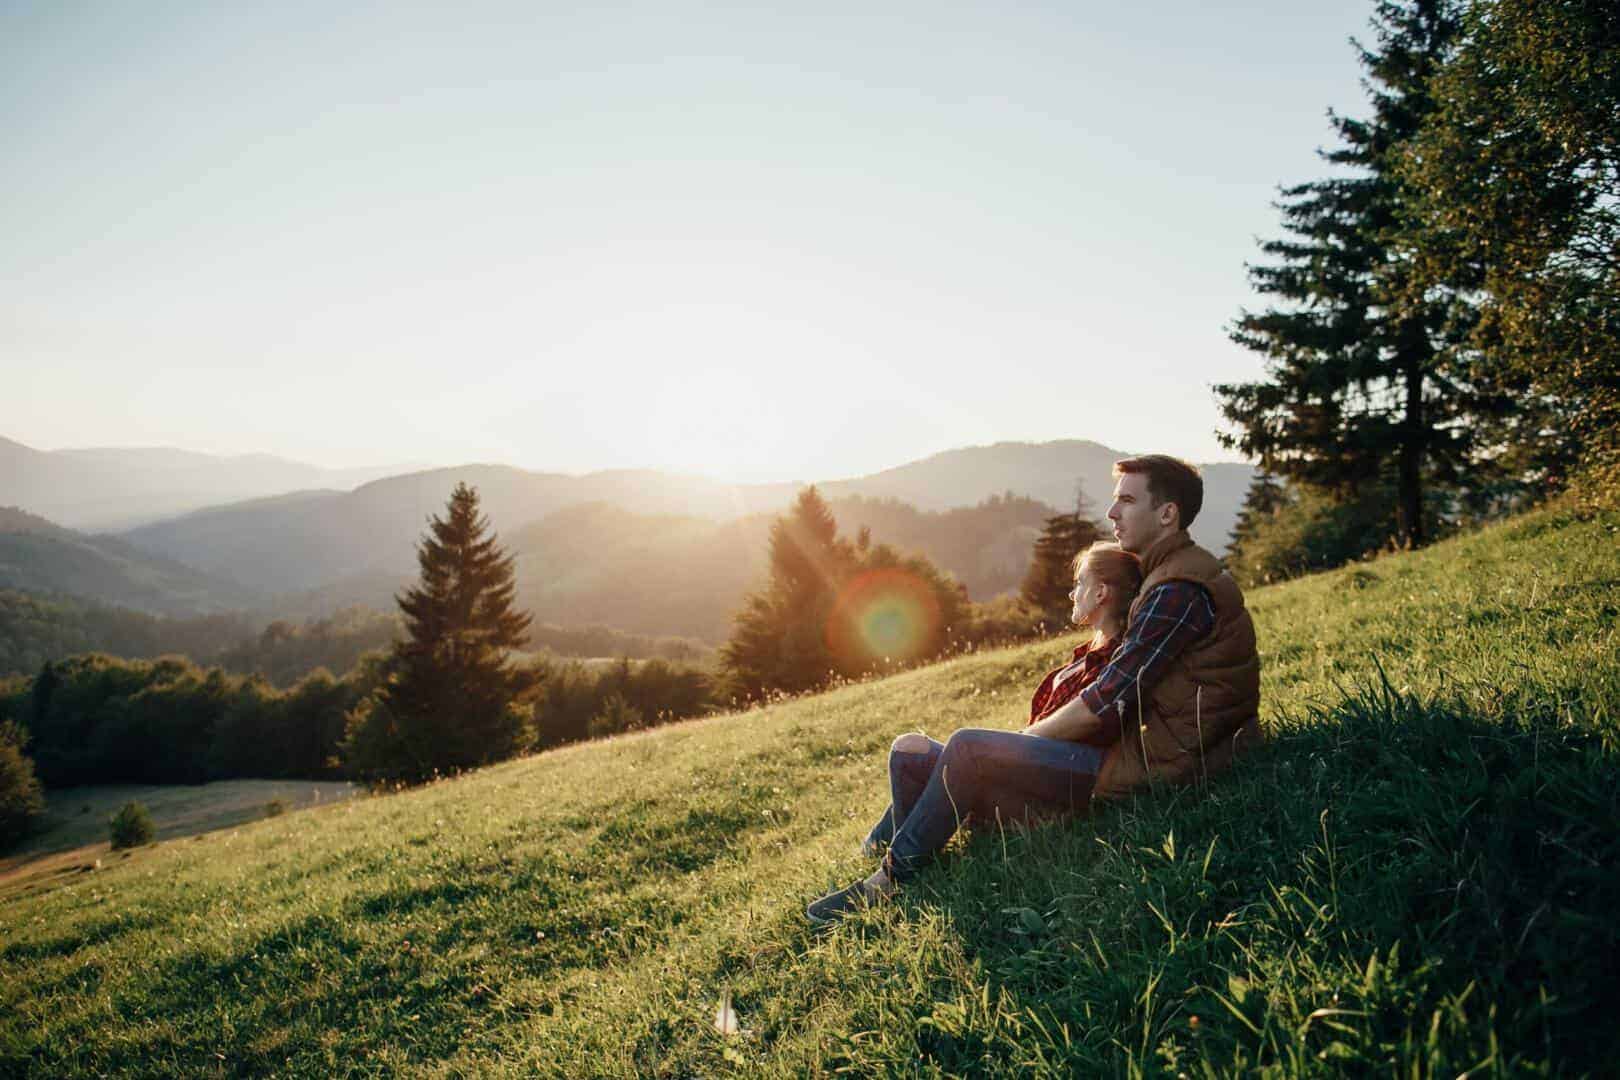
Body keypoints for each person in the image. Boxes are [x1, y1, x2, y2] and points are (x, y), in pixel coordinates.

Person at [807, 454, 1262, 925]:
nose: (1112, 513)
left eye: (1127, 500)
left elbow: (1105, 702)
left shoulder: (1176, 590)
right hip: (1141, 752)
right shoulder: (1169, 576)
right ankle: (893, 845)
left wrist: (1021, 743)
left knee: (969, 747)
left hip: (1156, 764)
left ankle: (887, 881)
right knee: (917, 752)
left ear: (1167, 514)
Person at [853, 540, 1143, 862]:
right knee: (909, 751)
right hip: (1024, 771)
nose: (1072, 593)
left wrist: (1010, 748)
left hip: (1044, 796)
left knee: (963, 743)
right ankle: (876, 848)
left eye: (1079, 583)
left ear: (1101, 593)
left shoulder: (1113, 662)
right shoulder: (1085, 654)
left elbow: (1081, 733)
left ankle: (901, 862)